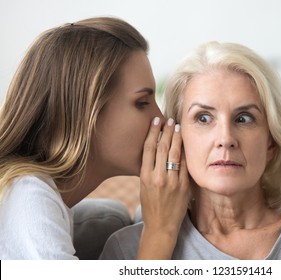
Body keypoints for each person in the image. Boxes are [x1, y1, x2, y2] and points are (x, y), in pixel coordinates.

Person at [100, 41, 281, 260]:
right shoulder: (128, 251)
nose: (226, 138)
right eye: (203, 118)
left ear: (271, 141)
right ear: (177, 139)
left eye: (244, 118)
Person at [0, 17, 190, 259]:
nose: (161, 119)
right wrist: (160, 231)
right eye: (142, 103)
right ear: (85, 112)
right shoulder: (28, 198)